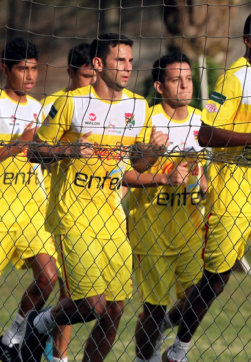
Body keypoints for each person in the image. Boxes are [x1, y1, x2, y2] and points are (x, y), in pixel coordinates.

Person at [161, 11, 251, 362]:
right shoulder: (231, 79)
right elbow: (205, 132)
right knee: (215, 281)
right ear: (248, 40)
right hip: (233, 187)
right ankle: (178, 349)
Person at [21, 33, 166, 362]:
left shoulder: (138, 107)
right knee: (91, 304)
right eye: (120, 61)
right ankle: (40, 322)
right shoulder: (73, 102)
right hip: (72, 216)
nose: (128, 67)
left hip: (112, 218)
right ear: (99, 64)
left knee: (113, 310)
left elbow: (136, 165)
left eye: (130, 61)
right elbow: (34, 152)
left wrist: (154, 154)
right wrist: (68, 149)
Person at [124, 51, 206, 362]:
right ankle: (146, 358)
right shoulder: (147, 119)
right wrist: (156, 160)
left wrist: (201, 182)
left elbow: (202, 173)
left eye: (188, 79)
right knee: (154, 306)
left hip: (189, 226)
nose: (184, 85)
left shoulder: (201, 121)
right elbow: (130, 170)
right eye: (176, 80)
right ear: (160, 87)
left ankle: (169, 343)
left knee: (199, 297)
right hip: (151, 227)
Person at [0, 37, 59, 362]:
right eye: (23, 68)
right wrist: (17, 145)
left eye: (34, 68)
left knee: (49, 278)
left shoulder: (40, 110)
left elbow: (44, 159)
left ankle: (14, 334)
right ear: (5, 69)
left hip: (31, 213)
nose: (30, 75)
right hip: (0, 211)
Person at [39, 42, 95, 362]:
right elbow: (40, 154)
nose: (91, 82)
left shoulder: (105, 106)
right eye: (85, 76)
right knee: (67, 289)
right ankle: (55, 354)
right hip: (59, 206)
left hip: (98, 209)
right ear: (71, 73)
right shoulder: (59, 103)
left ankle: (38, 335)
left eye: (95, 75)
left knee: (76, 293)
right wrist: (66, 150)